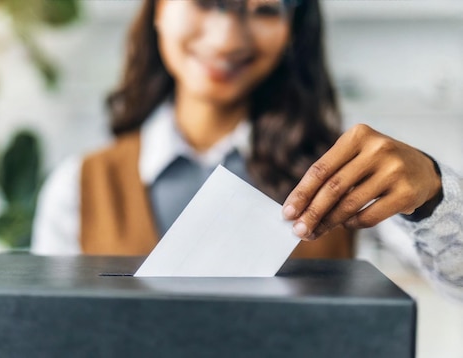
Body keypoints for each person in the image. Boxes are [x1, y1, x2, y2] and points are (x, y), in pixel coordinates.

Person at [31, 0, 463, 296]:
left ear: (293, 31)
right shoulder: (77, 186)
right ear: (157, 9)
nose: (227, 39)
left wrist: (433, 196)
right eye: (205, 1)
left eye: (265, 10)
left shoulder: (343, 171)